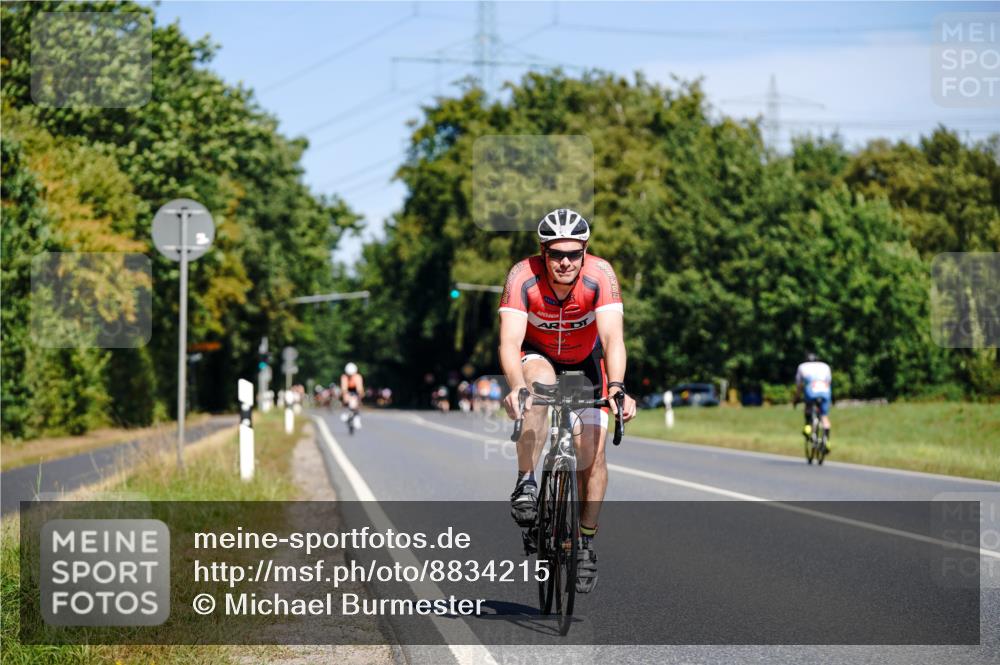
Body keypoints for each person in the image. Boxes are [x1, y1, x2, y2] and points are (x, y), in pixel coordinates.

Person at [498, 208, 637, 594]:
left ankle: (586, 541)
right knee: (537, 387)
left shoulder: (600, 276)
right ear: (542, 252)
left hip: (585, 361)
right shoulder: (522, 276)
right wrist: (514, 386)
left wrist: (618, 387)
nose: (564, 262)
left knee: (591, 451)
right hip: (537, 354)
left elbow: (612, 340)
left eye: (573, 254)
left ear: (585, 251)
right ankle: (526, 482)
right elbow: (509, 340)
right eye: (556, 253)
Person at [794, 352, 832, 451]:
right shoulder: (825, 366)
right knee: (824, 416)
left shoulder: (802, 366)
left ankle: (808, 427)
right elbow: (829, 382)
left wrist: (796, 399)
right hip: (825, 391)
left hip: (811, 390)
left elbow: (799, 386)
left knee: (808, 407)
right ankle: (827, 441)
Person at [340, 362, 364, 430]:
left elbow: (360, 388)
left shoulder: (358, 377)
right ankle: (347, 414)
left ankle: (357, 418)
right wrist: (346, 397)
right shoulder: (344, 377)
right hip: (347, 392)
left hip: (355, 392)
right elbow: (344, 388)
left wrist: (359, 397)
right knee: (346, 401)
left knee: (356, 404)